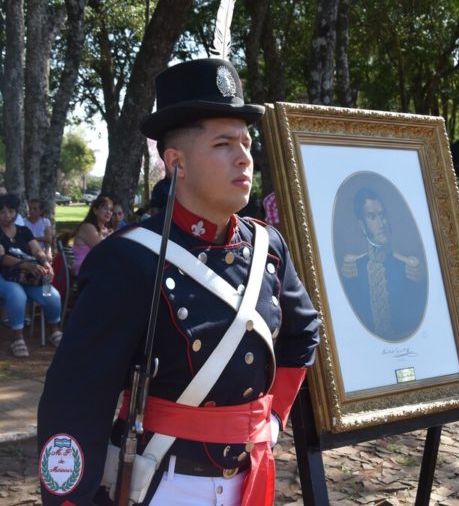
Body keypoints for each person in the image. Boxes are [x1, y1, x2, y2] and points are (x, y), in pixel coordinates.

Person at [37, 58, 321, 505]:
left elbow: (304, 332)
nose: (244, 156)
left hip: (252, 476)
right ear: (177, 163)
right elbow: (75, 400)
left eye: (246, 142)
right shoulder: (127, 259)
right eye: (223, 143)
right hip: (165, 484)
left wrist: (273, 420)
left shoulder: (269, 247)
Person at [340, 187, 427, 341]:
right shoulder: (354, 268)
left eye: (382, 215)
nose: (381, 223)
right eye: (372, 217)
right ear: (362, 225)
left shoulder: (408, 267)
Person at [0, 194, 63, 356]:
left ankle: (54, 331)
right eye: (2, 211)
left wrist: (45, 263)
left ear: (16, 213)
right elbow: (2, 258)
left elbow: (37, 250)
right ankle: (17, 338)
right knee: (17, 295)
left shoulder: (23, 231)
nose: (7, 215)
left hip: (29, 276)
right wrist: (25, 264)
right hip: (5, 276)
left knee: (52, 294)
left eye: (11, 211)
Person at [68, 194, 114, 275]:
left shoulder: (104, 230)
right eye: (105, 208)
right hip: (84, 268)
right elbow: (101, 250)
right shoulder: (87, 227)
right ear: (95, 210)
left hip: (95, 267)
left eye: (110, 210)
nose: (108, 212)